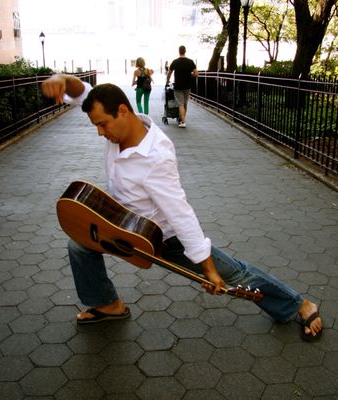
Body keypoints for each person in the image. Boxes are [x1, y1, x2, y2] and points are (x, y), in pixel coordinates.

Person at [41, 75, 323, 341]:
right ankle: (108, 304)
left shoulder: (156, 157)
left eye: (103, 125)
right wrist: (62, 80)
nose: (100, 133)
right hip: (125, 224)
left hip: (163, 235)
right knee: (79, 243)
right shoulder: (112, 115)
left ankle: (298, 304)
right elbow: (83, 94)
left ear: (123, 111)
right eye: (96, 126)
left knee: (232, 274)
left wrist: (207, 267)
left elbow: (181, 214)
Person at [166, 45, 198, 128]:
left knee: (180, 104)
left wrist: (167, 81)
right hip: (187, 85)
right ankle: (182, 119)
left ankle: (183, 121)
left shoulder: (175, 62)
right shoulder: (190, 62)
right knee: (185, 103)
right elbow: (196, 73)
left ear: (179, 51)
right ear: (185, 51)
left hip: (178, 86)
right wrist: (191, 75)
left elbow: (169, 73)